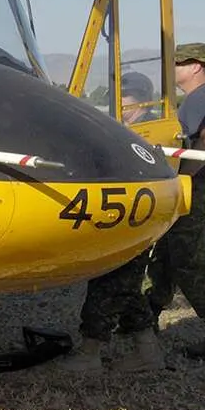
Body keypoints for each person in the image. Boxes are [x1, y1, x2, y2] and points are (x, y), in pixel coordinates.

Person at [55, 70, 165, 374]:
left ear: (142, 101)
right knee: (126, 289)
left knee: (107, 286)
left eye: (125, 100)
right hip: (127, 219)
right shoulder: (128, 129)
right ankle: (148, 353)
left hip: (134, 222)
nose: (121, 107)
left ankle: (90, 355)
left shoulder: (151, 132)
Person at [146, 42, 205, 361]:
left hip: (197, 189)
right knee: (166, 257)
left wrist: (179, 178)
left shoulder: (204, 100)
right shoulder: (199, 100)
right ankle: (144, 321)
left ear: (196, 66)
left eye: (177, 64)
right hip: (195, 186)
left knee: (190, 260)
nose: (172, 70)